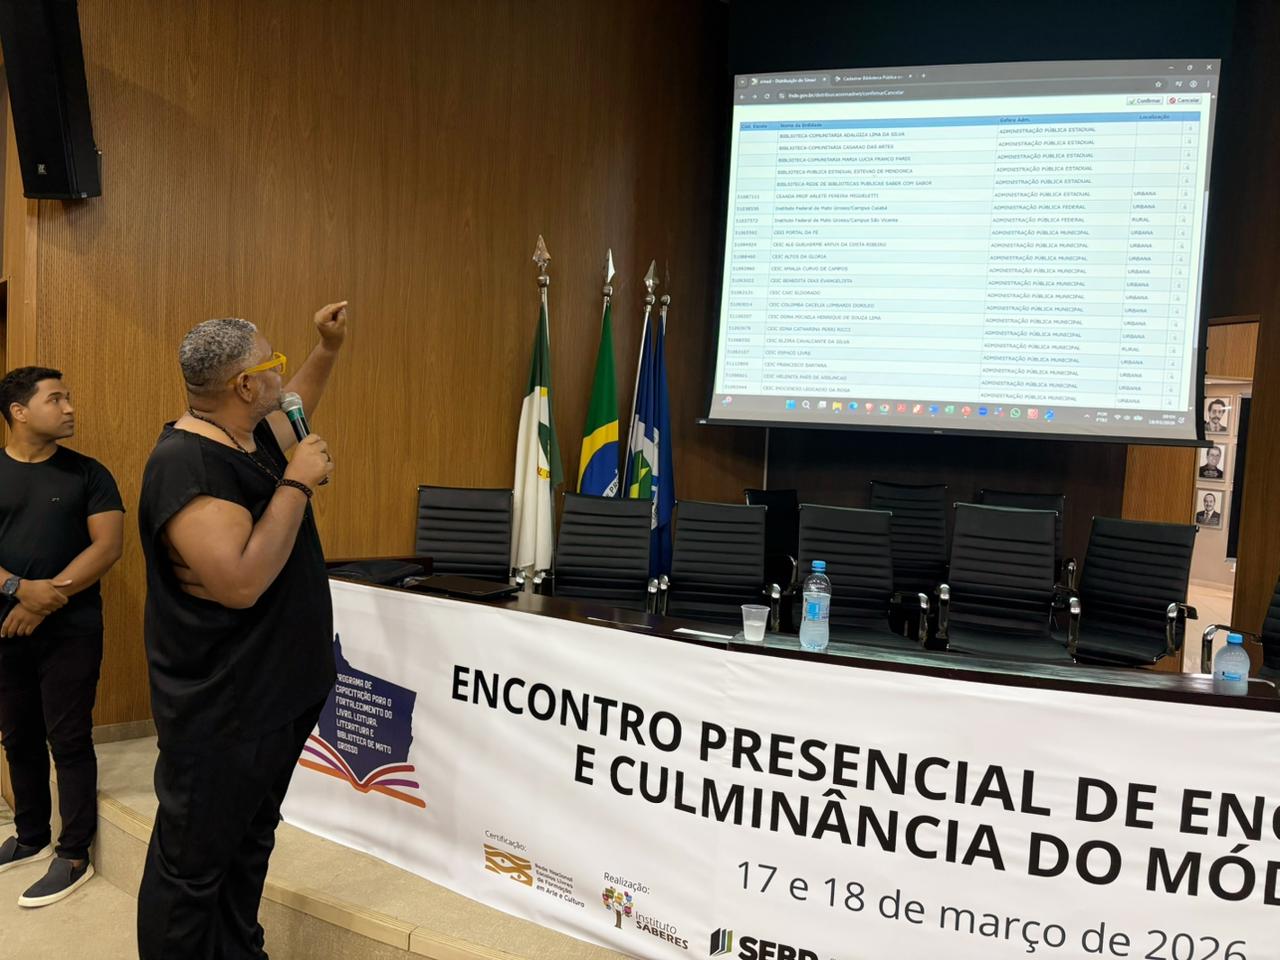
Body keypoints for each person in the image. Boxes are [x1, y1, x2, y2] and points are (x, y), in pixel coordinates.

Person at [136, 303, 347, 959]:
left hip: (276, 692)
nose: (283, 373)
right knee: (191, 865)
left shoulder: (245, 433)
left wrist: (326, 348)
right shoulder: (186, 465)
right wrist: (297, 485)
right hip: (224, 708)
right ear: (244, 385)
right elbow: (241, 582)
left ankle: (236, 948)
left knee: (251, 838)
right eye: (273, 363)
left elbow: (294, 405)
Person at [0, 367, 124, 908]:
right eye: (56, 399)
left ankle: (73, 853)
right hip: (4, 626)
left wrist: (44, 598)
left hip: (72, 629)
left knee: (68, 738)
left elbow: (108, 546)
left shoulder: (88, 473)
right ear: (19, 411)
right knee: (16, 735)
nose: (69, 407)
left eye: (68, 397)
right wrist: (16, 589)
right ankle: (30, 835)